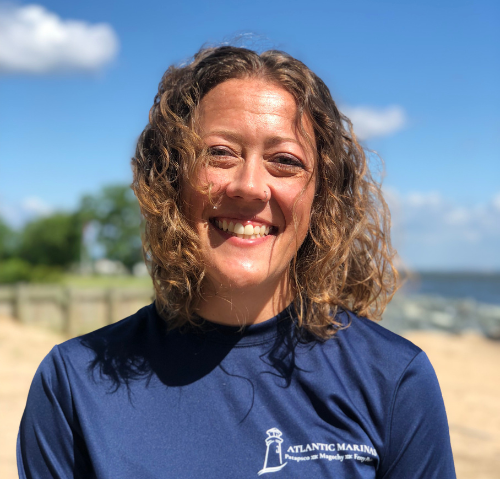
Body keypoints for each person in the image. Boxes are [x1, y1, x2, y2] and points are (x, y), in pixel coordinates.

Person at [17, 46, 456, 478]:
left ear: (322, 200)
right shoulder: (73, 383)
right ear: (170, 179)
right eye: (220, 153)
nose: (250, 187)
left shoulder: (395, 380)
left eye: (285, 161)